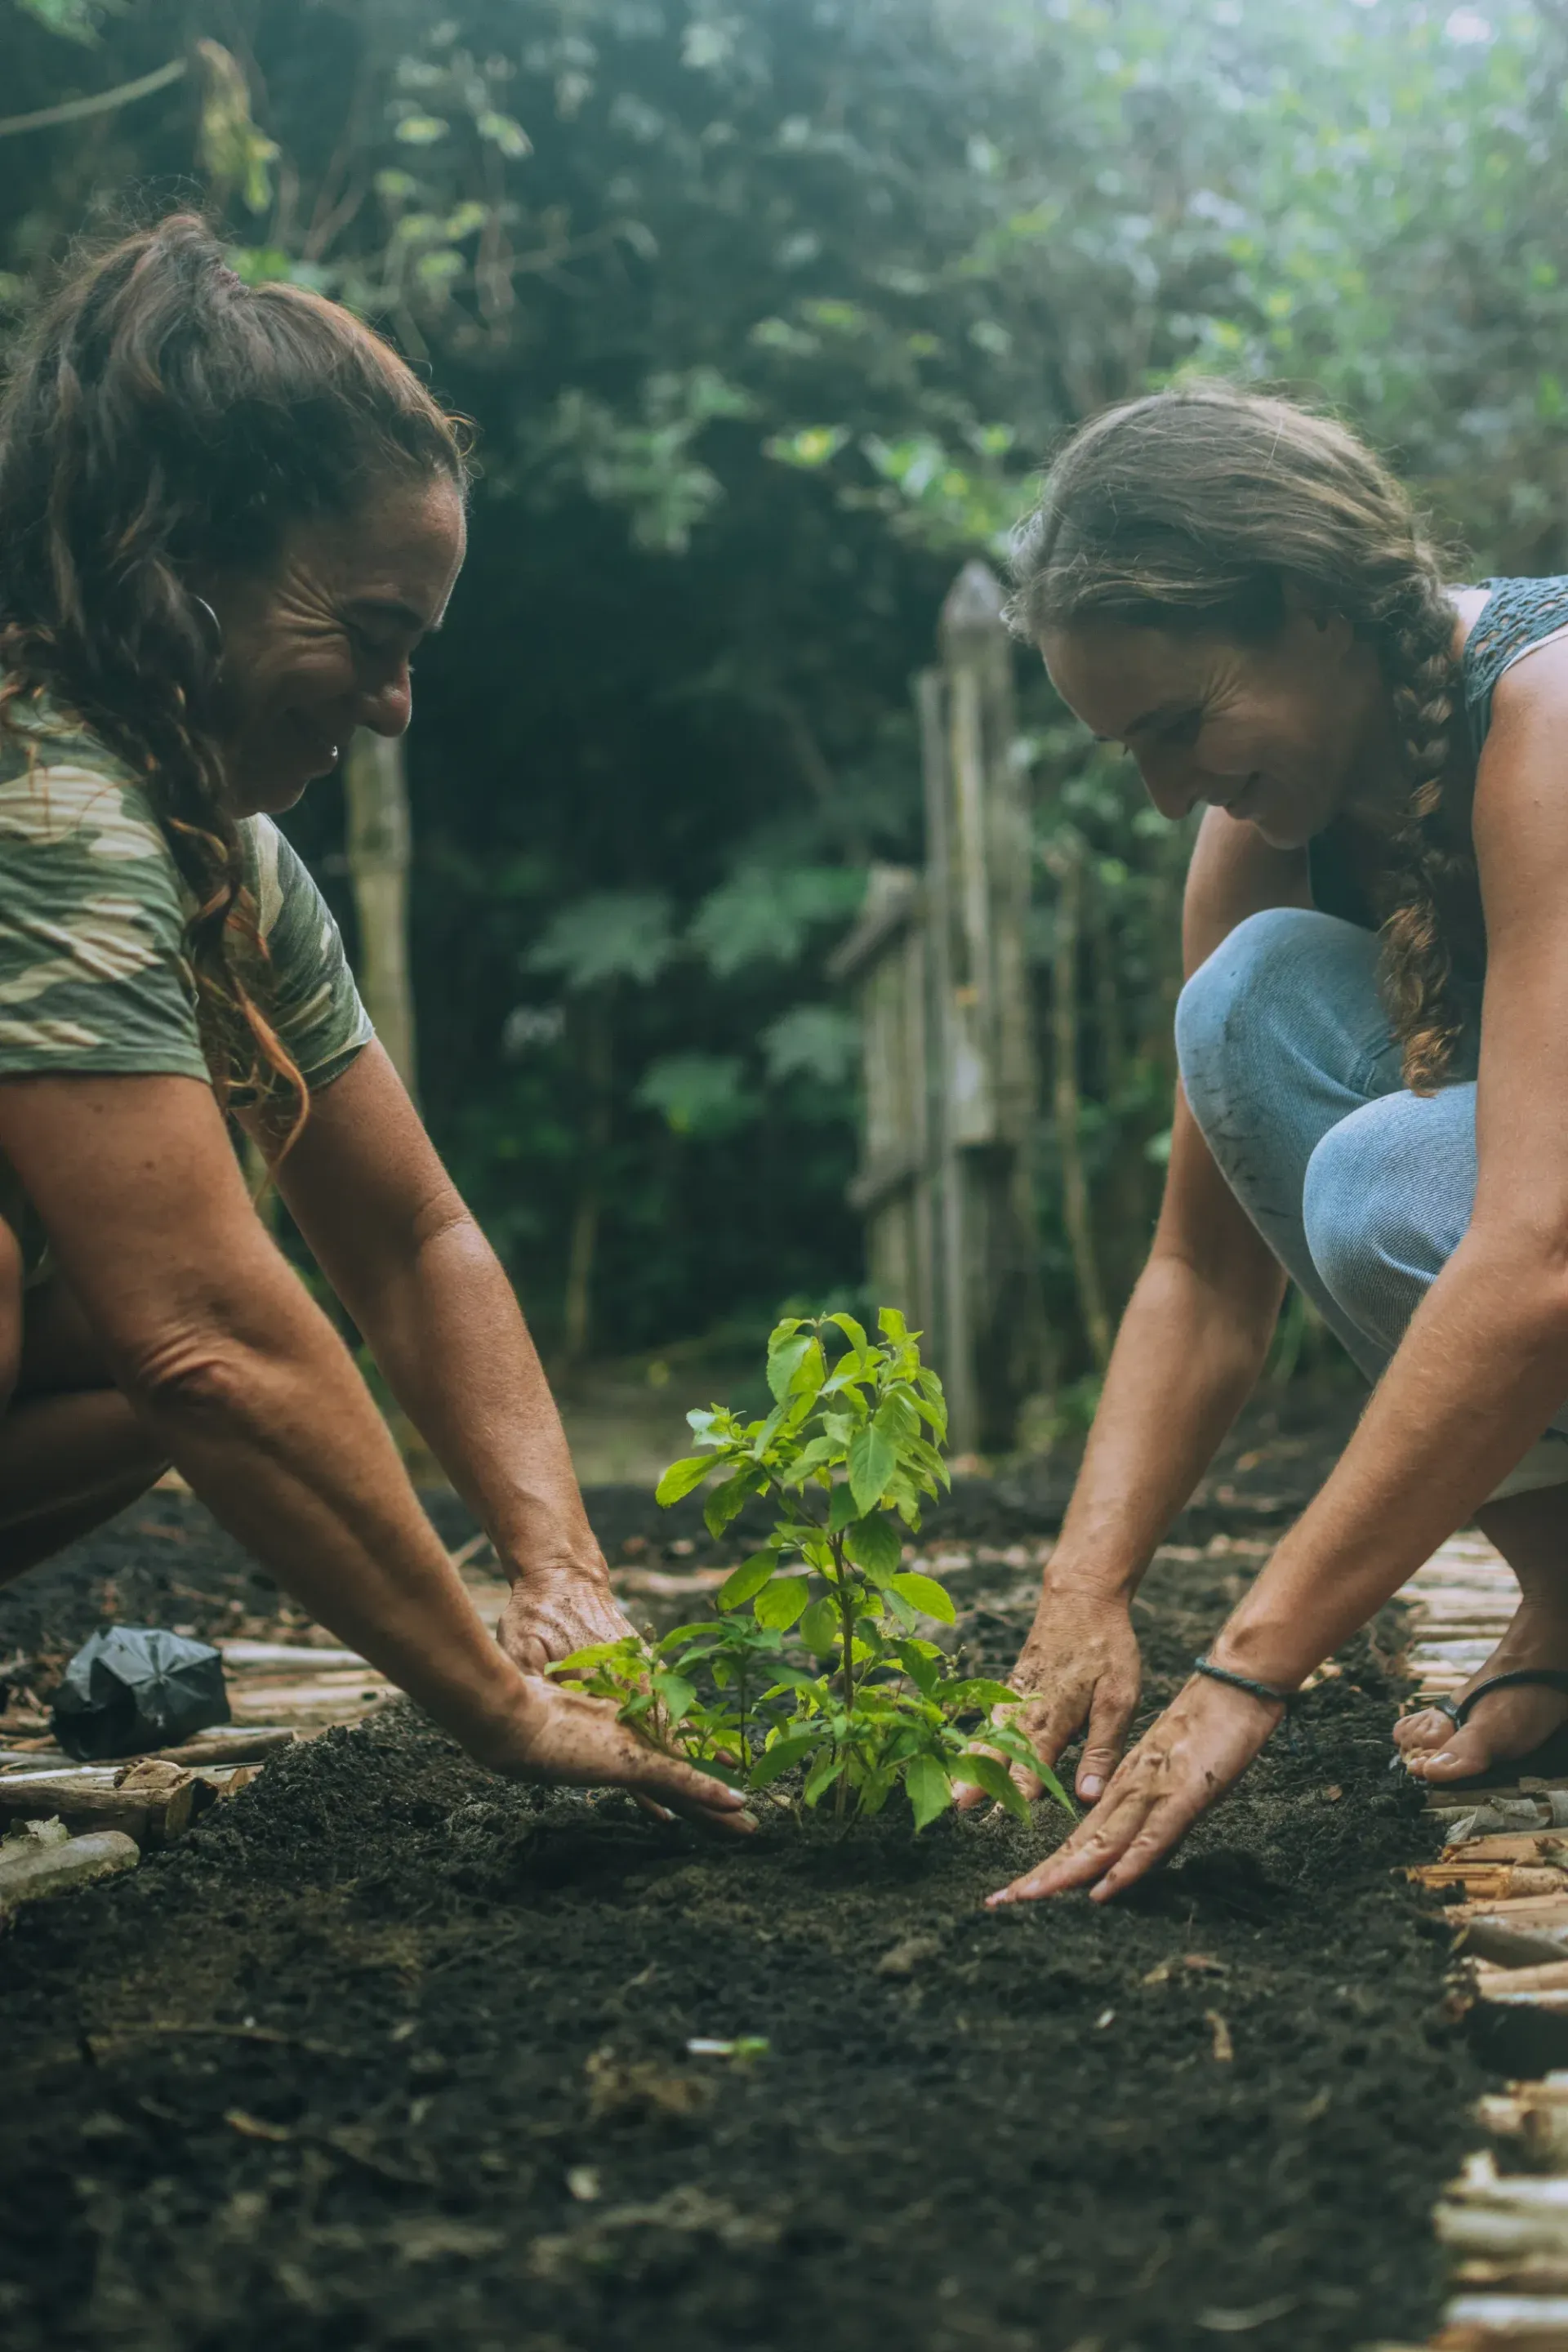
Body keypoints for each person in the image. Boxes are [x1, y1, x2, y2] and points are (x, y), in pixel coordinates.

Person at [0, 212, 746, 1834]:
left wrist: (562, 1580)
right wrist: (497, 1712)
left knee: (126, 1367)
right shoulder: (41, 793)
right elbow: (212, 1336)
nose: (396, 707)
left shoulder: (213, 851)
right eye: (371, 637)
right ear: (176, 564)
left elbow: (408, 1238)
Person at [966, 383, 1568, 1904]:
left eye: (1181, 727)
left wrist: (1246, 1671)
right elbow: (1201, 1274)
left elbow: (1536, 1256)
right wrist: (1085, 1591)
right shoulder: (1265, 834)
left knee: (1391, 1187)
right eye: (1133, 754)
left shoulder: (1548, 717)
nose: (1173, 792)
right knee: (1239, 1009)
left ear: (1309, 608)